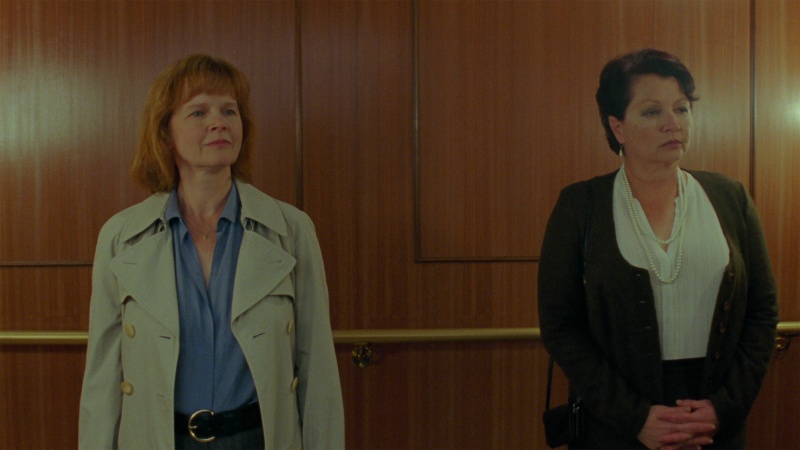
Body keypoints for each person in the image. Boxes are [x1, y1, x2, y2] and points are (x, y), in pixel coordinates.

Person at [78, 54, 344, 449]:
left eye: (229, 111)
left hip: (258, 439)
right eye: (199, 112)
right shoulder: (120, 237)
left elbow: (317, 366)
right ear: (165, 132)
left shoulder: (291, 230)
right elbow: (101, 377)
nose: (218, 122)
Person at [538, 49, 779, 449]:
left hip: (714, 424)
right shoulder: (580, 206)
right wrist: (635, 418)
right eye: (652, 112)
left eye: (681, 109)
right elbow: (561, 326)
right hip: (616, 425)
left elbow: (762, 310)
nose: (673, 123)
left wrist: (723, 408)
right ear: (618, 127)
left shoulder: (730, 197)